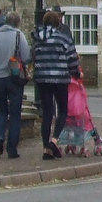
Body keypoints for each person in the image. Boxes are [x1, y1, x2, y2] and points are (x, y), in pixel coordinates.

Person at [31, 9, 81, 160]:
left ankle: (46, 149)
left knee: (47, 114)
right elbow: (72, 57)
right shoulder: (63, 38)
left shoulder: (36, 38)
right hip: (60, 79)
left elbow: (33, 56)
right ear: (58, 22)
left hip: (42, 79)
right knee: (62, 111)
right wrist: (75, 73)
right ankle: (54, 141)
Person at [0, 10, 29, 158]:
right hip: (14, 78)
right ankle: (12, 150)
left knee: (2, 110)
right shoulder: (19, 35)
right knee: (15, 114)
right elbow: (26, 56)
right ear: (17, 23)